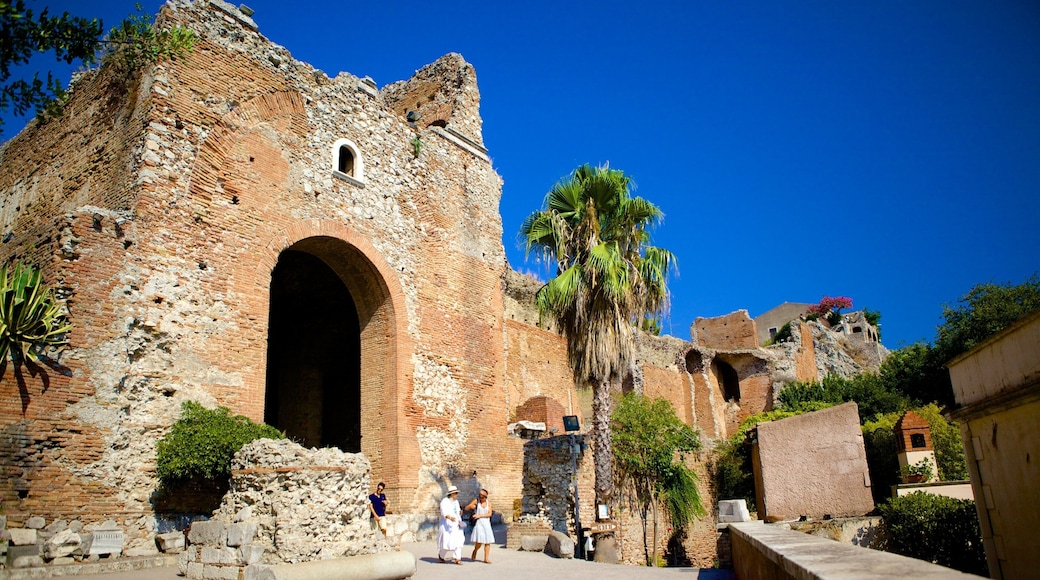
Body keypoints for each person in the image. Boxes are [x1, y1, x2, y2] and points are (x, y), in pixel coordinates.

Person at [437, 485, 465, 564]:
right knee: (447, 542)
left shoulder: (456, 502)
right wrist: (449, 518)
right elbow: (443, 512)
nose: (457, 495)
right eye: (456, 493)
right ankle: (441, 556)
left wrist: (460, 513)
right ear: (452, 494)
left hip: (457, 524)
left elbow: (458, 510)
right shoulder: (444, 501)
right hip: (447, 525)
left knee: (459, 541)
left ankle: (457, 558)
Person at [465, 488, 494, 563]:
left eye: (482, 496)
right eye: (479, 496)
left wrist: (480, 515)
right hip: (479, 524)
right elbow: (466, 508)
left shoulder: (489, 503)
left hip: (486, 523)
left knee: (488, 541)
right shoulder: (476, 501)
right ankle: (475, 550)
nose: (480, 498)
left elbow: (489, 514)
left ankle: (486, 558)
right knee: (479, 541)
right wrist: (471, 506)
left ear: (485, 497)